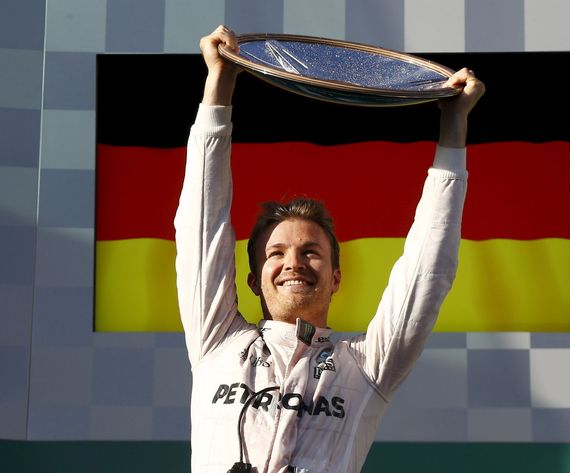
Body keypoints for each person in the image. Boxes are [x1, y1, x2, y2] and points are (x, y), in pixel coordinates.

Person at [175, 25, 485, 473]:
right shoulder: (218, 341)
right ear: (252, 279)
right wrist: (219, 84)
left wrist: (454, 126)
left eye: (311, 252)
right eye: (275, 253)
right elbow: (201, 228)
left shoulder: (365, 367)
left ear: (337, 277)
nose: (293, 262)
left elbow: (426, 274)